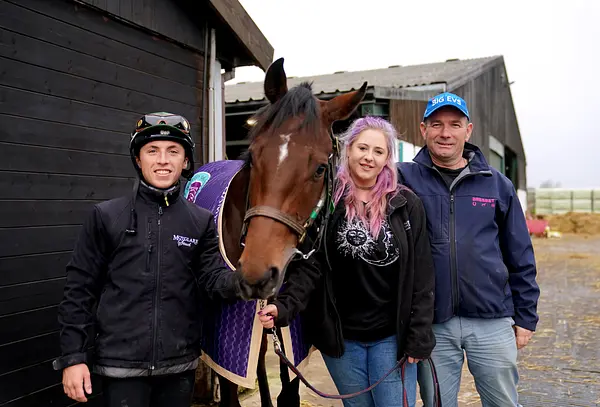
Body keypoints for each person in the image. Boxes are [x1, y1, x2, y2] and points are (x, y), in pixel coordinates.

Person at [53, 112, 243, 407]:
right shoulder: (106, 216)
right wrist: (73, 358)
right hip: (120, 368)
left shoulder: (200, 221)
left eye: (173, 151)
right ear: (138, 159)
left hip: (179, 368)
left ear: (185, 161)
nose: (163, 160)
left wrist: (246, 279)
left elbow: (212, 280)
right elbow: (79, 291)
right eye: (152, 150)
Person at [259, 116, 436, 407]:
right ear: (348, 149)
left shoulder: (405, 204)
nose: (369, 157)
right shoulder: (326, 203)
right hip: (342, 338)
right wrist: (284, 306)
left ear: (387, 158)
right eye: (362, 148)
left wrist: (419, 335)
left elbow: (423, 276)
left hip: (391, 337)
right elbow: (309, 266)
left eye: (378, 151)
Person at [397, 93, 540, 407]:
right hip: (432, 322)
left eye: (454, 124)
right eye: (437, 124)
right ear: (423, 129)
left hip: (492, 318)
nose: (445, 133)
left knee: (503, 402)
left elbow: (520, 255)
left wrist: (526, 315)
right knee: (437, 403)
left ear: (468, 130)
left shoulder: (497, 185)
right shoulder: (402, 179)